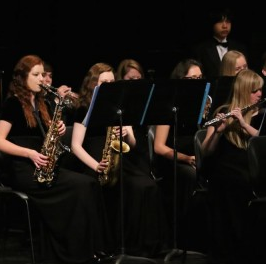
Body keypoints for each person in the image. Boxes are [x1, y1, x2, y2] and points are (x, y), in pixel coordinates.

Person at [0, 54, 110, 264]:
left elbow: (48, 139)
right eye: (36, 75)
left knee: (88, 184)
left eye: (43, 75)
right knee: (77, 189)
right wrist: (29, 153)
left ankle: (91, 249)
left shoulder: (42, 103)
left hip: (43, 165)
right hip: (23, 169)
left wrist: (59, 130)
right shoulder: (13, 103)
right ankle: (71, 252)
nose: (42, 80)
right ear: (22, 77)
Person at [71, 62, 166, 257]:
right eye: (104, 82)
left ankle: (139, 246)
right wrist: (96, 165)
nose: (110, 86)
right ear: (93, 84)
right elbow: (75, 146)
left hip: (118, 161)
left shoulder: (120, 106)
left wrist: (126, 134)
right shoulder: (84, 108)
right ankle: (108, 246)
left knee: (144, 186)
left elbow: (131, 143)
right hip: (94, 162)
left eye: (112, 81)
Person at [201, 69, 264, 264]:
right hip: (226, 168)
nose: (260, 94)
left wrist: (244, 125)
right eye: (255, 90)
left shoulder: (261, 114)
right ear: (244, 90)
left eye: (261, 89)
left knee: (243, 181)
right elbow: (205, 151)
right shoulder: (223, 111)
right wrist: (218, 132)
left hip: (254, 167)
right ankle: (230, 247)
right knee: (230, 180)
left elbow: (262, 141)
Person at [153, 58, 204, 248]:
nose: (197, 83)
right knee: (191, 176)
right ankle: (185, 240)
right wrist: (186, 158)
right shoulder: (168, 104)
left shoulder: (200, 103)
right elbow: (159, 147)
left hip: (194, 157)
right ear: (181, 79)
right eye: (193, 78)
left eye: (200, 78)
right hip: (173, 160)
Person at [192, 8, 248, 79]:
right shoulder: (201, 49)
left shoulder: (240, 47)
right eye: (220, 22)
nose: (225, 26)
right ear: (212, 24)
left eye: (227, 21)